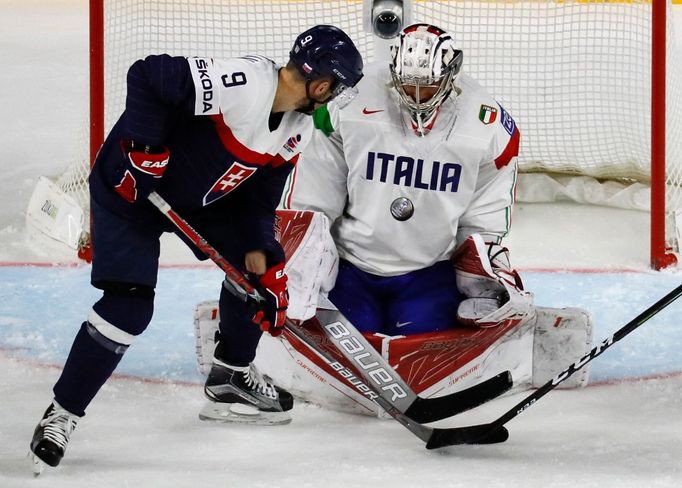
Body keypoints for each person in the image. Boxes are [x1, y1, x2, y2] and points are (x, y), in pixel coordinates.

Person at [29, 25, 363, 472]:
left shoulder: (296, 132)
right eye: (337, 87)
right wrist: (145, 150)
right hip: (130, 189)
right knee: (128, 308)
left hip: (195, 200)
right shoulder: (245, 84)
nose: (335, 96)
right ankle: (62, 413)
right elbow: (148, 76)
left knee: (254, 274)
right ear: (321, 84)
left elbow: (258, 205)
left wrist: (264, 257)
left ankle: (230, 375)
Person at [286, 23, 533, 336]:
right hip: (351, 266)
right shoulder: (347, 102)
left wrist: (483, 260)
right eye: (407, 85)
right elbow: (317, 186)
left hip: (428, 272)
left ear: (450, 74)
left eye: (427, 86)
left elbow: (486, 208)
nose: (416, 95)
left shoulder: (486, 123)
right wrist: (303, 252)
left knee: (421, 334)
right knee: (343, 330)